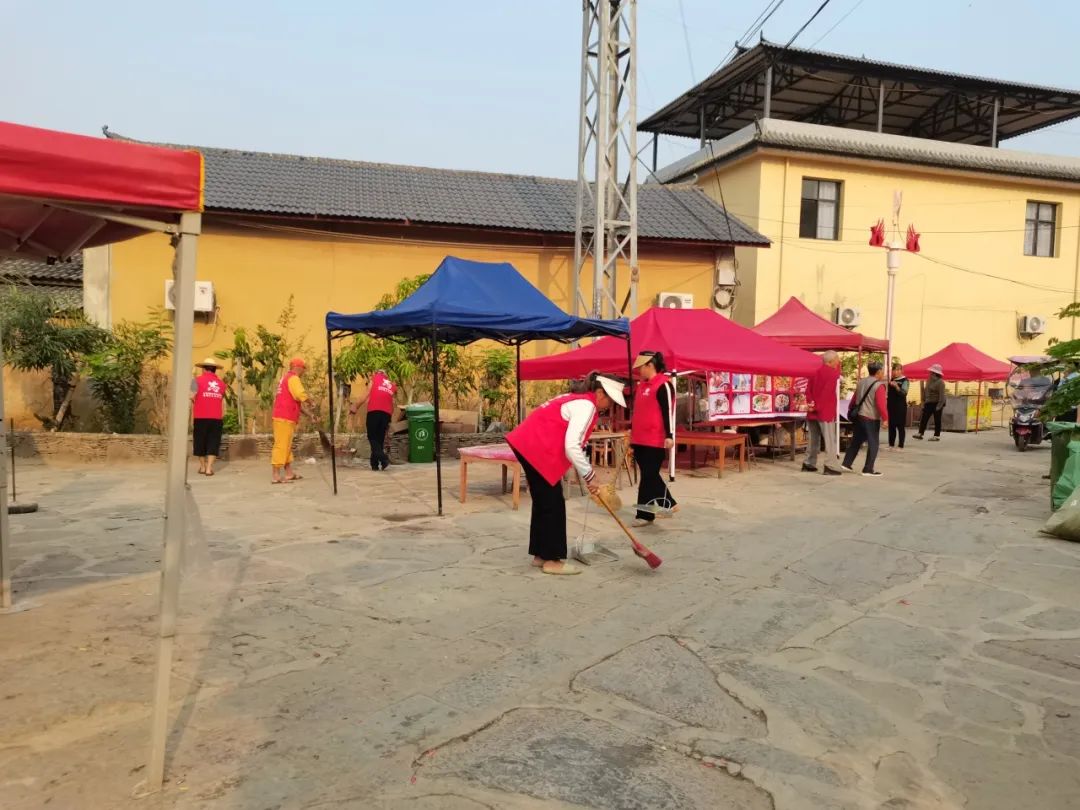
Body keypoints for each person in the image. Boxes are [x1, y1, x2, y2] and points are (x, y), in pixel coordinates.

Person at [506, 372, 626, 576]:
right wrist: (590, 476)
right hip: (536, 447)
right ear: (599, 393)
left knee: (544, 501)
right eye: (610, 400)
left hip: (528, 444)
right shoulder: (586, 405)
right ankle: (552, 560)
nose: (609, 406)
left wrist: (587, 474)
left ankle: (540, 554)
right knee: (553, 504)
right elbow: (572, 446)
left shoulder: (577, 399)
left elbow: (572, 443)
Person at [630, 351, 678, 526]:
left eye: (641, 367)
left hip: (654, 439)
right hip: (639, 439)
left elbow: (668, 412)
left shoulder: (663, 385)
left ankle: (652, 511)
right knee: (648, 476)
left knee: (649, 475)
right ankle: (656, 509)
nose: (639, 371)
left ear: (650, 365)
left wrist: (669, 435)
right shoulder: (641, 386)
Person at [271, 357, 315, 484]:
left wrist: (309, 414)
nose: (304, 372)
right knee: (281, 445)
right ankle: (276, 475)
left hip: (284, 417)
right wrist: (311, 402)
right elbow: (301, 395)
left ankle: (289, 473)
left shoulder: (285, 378)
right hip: (284, 417)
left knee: (286, 446)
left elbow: (294, 401)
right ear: (298, 368)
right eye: (304, 369)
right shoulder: (293, 378)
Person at [842, 361, 889, 477]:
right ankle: (868, 469)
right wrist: (885, 419)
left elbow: (853, 400)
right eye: (882, 371)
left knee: (856, 440)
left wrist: (851, 410)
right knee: (873, 443)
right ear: (878, 372)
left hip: (859, 416)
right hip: (871, 417)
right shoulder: (879, 385)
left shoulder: (861, 382)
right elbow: (881, 404)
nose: (883, 373)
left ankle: (847, 463)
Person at [803, 350, 843, 476]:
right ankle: (830, 466)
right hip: (825, 411)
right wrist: (817, 407)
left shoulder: (815, 372)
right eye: (837, 359)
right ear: (831, 361)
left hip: (813, 410)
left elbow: (808, 391)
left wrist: (811, 405)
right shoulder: (832, 374)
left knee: (813, 439)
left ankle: (809, 462)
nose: (838, 362)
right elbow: (826, 393)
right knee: (829, 440)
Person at [349, 369, 396, 471]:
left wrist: (355, 406)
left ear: (376, 374)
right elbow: (392, 402)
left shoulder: (373, 380)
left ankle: (383, 458)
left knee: (372, 437)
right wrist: (389, 418)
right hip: (387, 414)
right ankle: (374, 464)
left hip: (374, 412)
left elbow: (365, 395)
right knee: (379, 439)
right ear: (385, 375)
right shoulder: (391, 385)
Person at [190, 357, 226, 476]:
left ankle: (202, 467)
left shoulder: (196, 381)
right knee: (213, 442)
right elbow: (221, 399)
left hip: (200, 417)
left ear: (204, 369)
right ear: (214, 370)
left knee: (200, 442)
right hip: (216, 418)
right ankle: (209, 469)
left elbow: (191, 396)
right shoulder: (222, 384)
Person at [914, 363, 947, 442]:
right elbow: (926, 391)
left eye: (931, 372)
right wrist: (923, 401)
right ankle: (920, 433)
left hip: (937, 402)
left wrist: (939, 406)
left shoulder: (941, 382)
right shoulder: (928, 380)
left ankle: (936, 436)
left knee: (937, 419)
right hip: (929, 402)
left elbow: (942, 395)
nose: (930, 373)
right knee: (924, 418)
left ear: (935, 373)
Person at [887, 362, 910, 450]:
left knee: (900, 426)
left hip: (900, 407)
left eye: (898, 370)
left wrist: (896, 386)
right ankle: (891, 444)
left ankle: (900, 445)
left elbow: (904, 393)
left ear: (901, 371)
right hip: (891, 407)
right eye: (894, 370)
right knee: (891, 426)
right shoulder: (891, 379)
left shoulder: (905, 380)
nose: (895, 372)